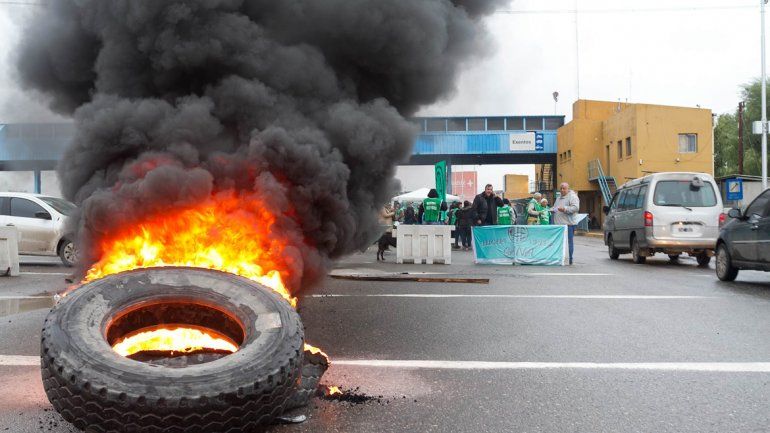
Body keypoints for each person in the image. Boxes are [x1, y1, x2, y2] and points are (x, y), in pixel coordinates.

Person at [553, 182, 580, 264]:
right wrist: (552, 209)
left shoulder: (573, 196)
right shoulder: (558, 198)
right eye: (561, 188)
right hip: (559, 225)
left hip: (568, 224)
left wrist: (565, 209)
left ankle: (571, 259)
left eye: (564, 188)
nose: (562, 190)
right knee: (559, 242)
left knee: (569, 242)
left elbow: (576, 208)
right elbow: (556, 207)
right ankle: (559, 258)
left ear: (568, 189)